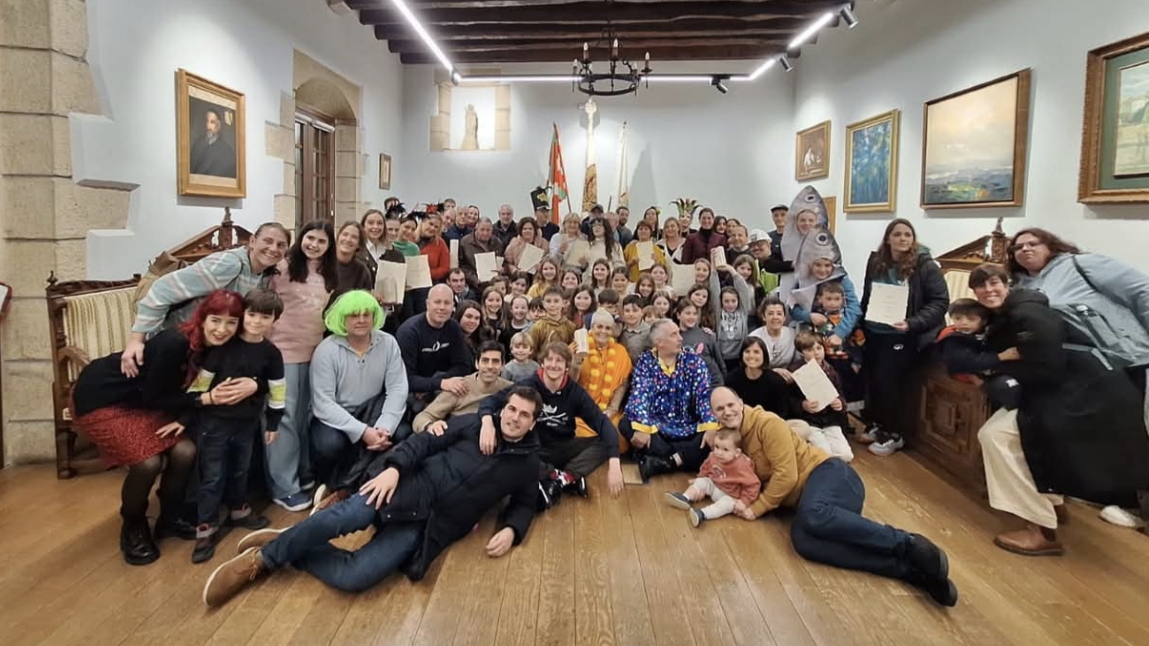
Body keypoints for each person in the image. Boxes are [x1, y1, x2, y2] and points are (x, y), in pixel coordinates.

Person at [202, 387, 547, 606]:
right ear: (503, 409)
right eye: (511, 409)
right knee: (345, 518)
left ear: (533, 423)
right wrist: (394, 469)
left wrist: (512, 530)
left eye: (524, 415)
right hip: (408, 487)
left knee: (357, 577)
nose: (514, 418)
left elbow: (526, 502)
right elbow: (422, 443)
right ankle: (261, 561)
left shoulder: (528, 464)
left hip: (430, 526)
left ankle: (291, 543)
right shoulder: (472, 424)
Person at [709, 387, 959, 607]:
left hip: (832, 475)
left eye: (731, 404)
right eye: (720, 409)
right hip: (810, 501)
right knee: (804, 543)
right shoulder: (729, 440)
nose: (727, 411)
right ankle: (912, 572)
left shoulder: (767, 423)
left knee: (813, 514)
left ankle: (908, 544)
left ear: (741, 403)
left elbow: (787, 475)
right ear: (714, 414)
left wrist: (757, 507)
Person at [969, 264, 1149, 555]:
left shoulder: (1027, 313)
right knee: (1017, 438)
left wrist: (992, 373)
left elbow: (1046, 366)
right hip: (1071, 392)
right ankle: (1051, 504)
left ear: (1007, 284)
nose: (988, 290)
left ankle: (1040, 529)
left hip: (1081, 396)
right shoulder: (1016, 312)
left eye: (993, 283)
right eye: (981, 286)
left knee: (996, 436)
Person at [70, 290, 257, 565]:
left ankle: (170, 518)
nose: (222, 329)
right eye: (216, 320)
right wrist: (205, 399)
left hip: (146, 401)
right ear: (202, 318)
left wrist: (253, 383)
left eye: (231, 323)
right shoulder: (175, 342)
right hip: (103, 397)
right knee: (148, 463)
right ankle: (133, 526)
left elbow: (253, 368)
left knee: (185, 451)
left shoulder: (221, 348)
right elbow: (157, 397)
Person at [187, 288, 287, 563]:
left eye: (265, 317)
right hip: (215, 423)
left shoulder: (271, 353)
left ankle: (238, 509)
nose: (256, 322)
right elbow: (199, 386)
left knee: (241, 469)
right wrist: (198, 403)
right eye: (251, 315)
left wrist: (274, 422)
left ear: (275, 320)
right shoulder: (223, 348)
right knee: (212, 475)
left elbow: (277, 390)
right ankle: (206, 526)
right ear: (243, 315)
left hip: (247, 423)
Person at [122, 223, 290, 377]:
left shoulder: (263, 274)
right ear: (252, 241)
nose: (273, 248)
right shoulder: (229, 264)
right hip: (177, 344)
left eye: (281, 245)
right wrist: (136, 341)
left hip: (207, 348)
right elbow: (162, 289)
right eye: (268, 241)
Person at [479, 342, 624, 506]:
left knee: (608, 440)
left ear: (567, 366)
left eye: (559, 361)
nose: (553, 365)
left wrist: (614, 463)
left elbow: (602, 423)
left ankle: (564, 478)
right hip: (533, 449)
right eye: (549, 359)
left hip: (563, 446)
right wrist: (487, 423)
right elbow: (490, 402)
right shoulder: (528, 385)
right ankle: (558, 477)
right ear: (542, 363)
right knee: (510, 451)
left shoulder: (575, 393)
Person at [858, 218, 949, 456]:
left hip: (904, 334)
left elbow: (940, 302)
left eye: (907, 235)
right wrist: (860, 323)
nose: (902, 239)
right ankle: (878, 424)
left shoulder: (926, 266)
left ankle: (894, 434)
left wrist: (912, 323)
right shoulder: (876, 262)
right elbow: (868, 295)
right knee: (874, 381)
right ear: (888, 239)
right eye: (897, 234)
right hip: (874, 331)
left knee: (890, 384)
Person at [266, 221, 337, 511]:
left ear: (329, 246)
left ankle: (302, 470)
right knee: (283, 417)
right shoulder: (281, 269)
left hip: (313, 353)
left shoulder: (328, 274)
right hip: (281, 353)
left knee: (304, 416)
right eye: (310, 238)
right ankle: (284, 486)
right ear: (301, 238)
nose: (314, 245)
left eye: (321, 241)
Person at [309, 291, 410, 491]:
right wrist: (362, 431)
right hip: (337, 416)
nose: (361, 320)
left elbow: (397, 387)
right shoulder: (326, 350)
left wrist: (384, 427)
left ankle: (374, 479)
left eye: (366, 314)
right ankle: (330, 484)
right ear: (342, 318)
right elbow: (323, 403)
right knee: (329, 445)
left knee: (402, 433)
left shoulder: (388, 343)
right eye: (354, 315)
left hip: (373, 411)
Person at [622, 319, 719, 480]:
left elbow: (703, 394)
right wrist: (643, 426)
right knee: (626, 423)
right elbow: (639, 394)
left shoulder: (693, 360)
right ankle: (683, 458)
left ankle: (665, 462)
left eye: (679, 333)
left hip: (687, 426)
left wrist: (710, 424)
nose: (680, 338)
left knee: (713, 433)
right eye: (674, 335)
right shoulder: (645, 361)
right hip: (656, 427)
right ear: (659, 343)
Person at [664, 428, 761, 527]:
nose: (719, 452)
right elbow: (706, 467)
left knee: (726, 505)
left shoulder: (742, 466)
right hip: (715, 485)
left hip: (730, 496)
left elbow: (753, 485)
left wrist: (744, 501)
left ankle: (702, 514)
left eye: (725, 450)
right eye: (717, 447)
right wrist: (700, 478)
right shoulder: (713, 456)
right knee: (703, 481)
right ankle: (685, 497)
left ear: (737, 452)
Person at [936, 298, 1022, 409]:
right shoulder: (953, 339)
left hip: (989, 371)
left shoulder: (985, 333)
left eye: (971, 319)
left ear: (983, 321)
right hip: (972, 377)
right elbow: (966, 361)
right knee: (1007, 387)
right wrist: (1000, 357)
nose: (964, 322)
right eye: (958, 318)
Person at [412, 341, 512, 433]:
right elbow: (422, 417)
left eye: (495, 361)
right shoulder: (459, 386)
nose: (490, 366)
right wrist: (430, 426)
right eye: (485, 361)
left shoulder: (510, 390)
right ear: (477, 364)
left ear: (503, 365)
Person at [785, 332, 853, 462]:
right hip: (809, 421)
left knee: (846, 455)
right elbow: (788, 399)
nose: (816, 353)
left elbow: (840, 395)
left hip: (830, 421)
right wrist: (803, 405)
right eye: (810, 350)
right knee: (824, 455)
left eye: (819, 348)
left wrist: (839, 403)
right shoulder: (795, 371)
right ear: (802, 352)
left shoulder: (831, 370)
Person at [571, 311, 633, 451]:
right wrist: (576, 364)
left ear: (612, 331)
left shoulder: (620, 352)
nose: (603, 332)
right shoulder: (577, 347)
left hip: (608, 411)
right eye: (599, 327)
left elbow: (622, 384)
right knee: (578, 434)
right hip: (581, 411)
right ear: (591, 327)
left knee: (619, 436)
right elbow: (569, 384)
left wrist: (613, 409)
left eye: (607, 328)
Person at [725, 337, 790, 416]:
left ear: (764, 355)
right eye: (747, 351)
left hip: (769, 421)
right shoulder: (732, 379)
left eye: (756, 352)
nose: (751, 355)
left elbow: (782, 412)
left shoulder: (776, 381)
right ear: (742, 355)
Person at [526, 286, 577, 361]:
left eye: (556, 301)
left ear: (563, 303)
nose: (552, 305)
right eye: (548, 301)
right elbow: (531, 351)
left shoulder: (570, 326)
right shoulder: (538, 327)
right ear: (543, 303)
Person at [459, 218, 505, 290]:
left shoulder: (498, 243)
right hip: (473, 285)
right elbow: (461, 266)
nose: (485, 233)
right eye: (482, 230)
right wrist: (474, 279)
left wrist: (503, 269)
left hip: (494, 284)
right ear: (476, 229)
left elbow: (504, 262)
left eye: (488, 230)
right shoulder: (465, 242)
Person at [189, 108, 236, 177]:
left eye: (212, 122)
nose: (208, 126)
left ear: (219, 125)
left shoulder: (226, 151)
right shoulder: (197, 144)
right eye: (206, 121)